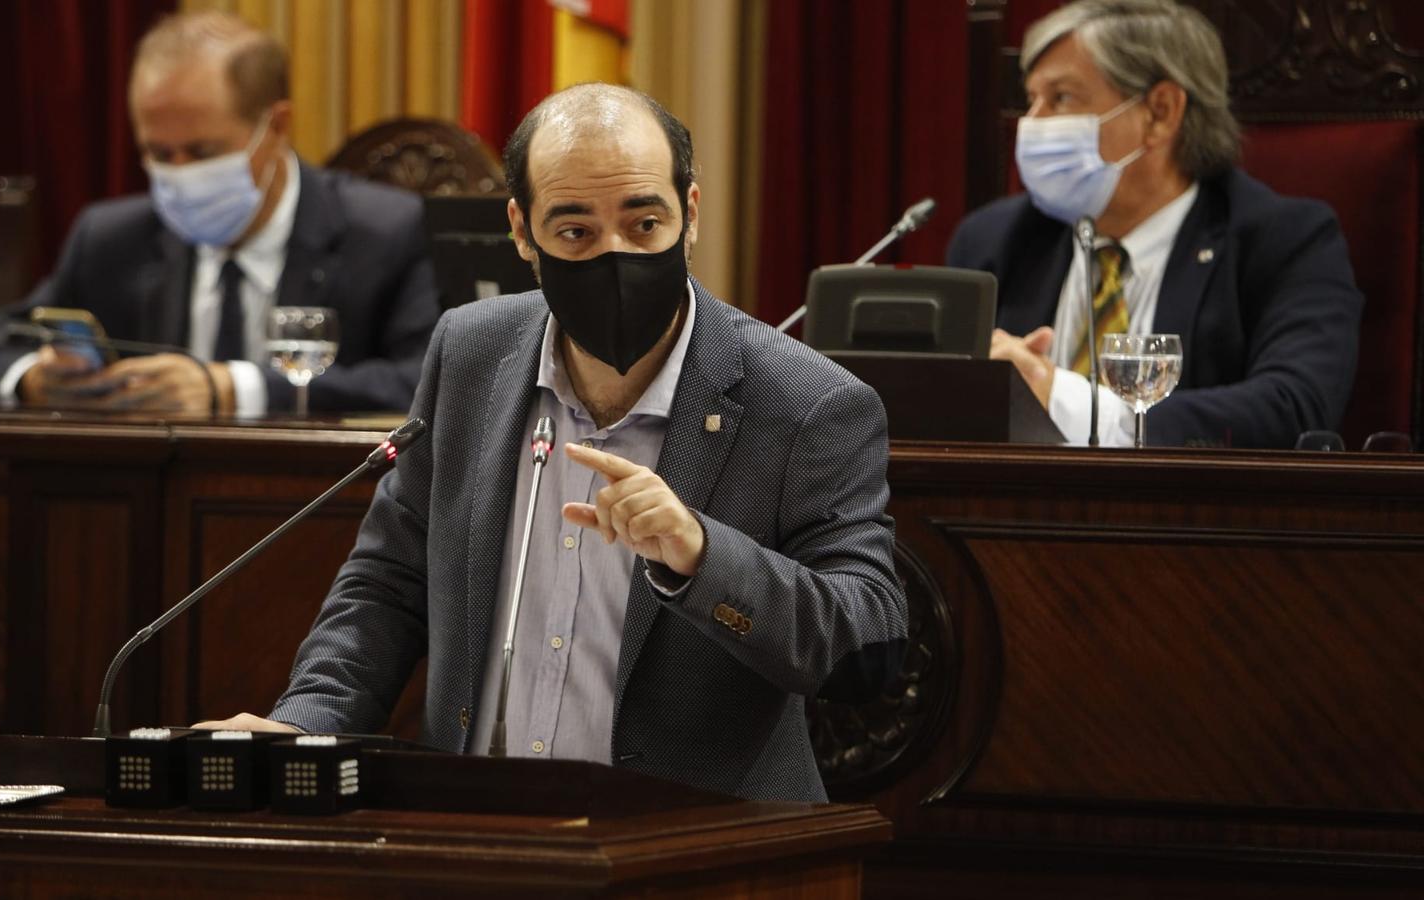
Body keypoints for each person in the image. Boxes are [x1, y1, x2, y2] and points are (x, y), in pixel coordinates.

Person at [199, 84, 908, 802]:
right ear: (520, 231)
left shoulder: (808, 402)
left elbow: (868, 644)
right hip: (482, 837)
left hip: (696, 849)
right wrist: (306, 725)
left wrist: (702, 556)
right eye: (575, 232)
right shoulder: (469, 352)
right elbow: (389, 583)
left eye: (644, 223)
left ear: (690, 215)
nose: (615, 254)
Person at [0, 12, 439, 415]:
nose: (179, 173)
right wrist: (32, 378)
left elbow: (427, 384)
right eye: (158, 154)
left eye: (203, 152)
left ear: (276, 127)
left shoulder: (384, 232)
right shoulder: (110, 239)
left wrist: (231, 388)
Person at [946, 0, 1362, 448]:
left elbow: (1296, 407)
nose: (1031, 124)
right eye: (1032, 100)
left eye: (1061, 98)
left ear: (1160, 112)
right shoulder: (993, 240)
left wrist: (1063, 399)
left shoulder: (1284, 240)